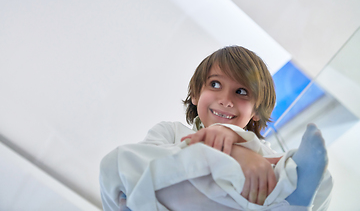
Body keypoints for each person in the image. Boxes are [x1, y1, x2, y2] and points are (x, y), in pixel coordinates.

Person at [99, 46, 332, 210]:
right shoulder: (170, 132)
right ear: (195, 93)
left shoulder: (266, 153)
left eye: (242, 92)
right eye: (215, 84)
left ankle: (293, 203)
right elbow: (138, 169)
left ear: (255, 112)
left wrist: (239, 143)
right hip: (165, 201)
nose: (226, 99)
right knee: (116, 162)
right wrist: (232, 151)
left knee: (316, 177)